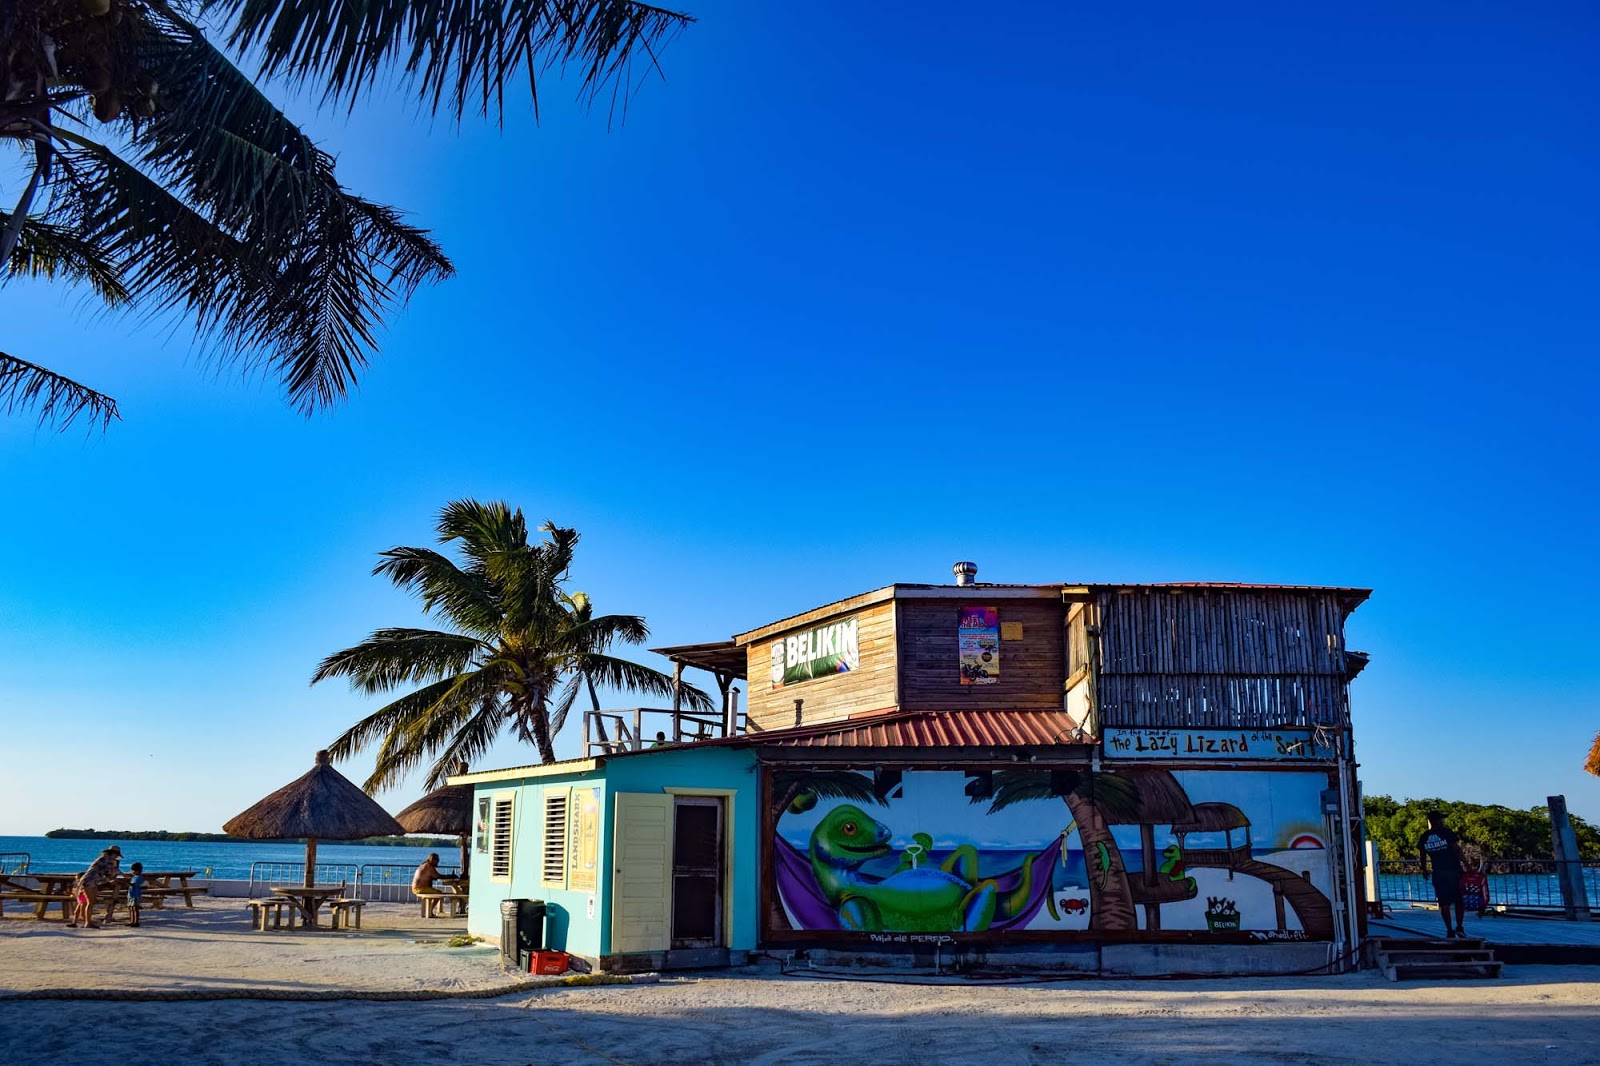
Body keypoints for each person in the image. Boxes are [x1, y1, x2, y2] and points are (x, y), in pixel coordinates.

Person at [1417, 810, 1469, 938]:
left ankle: (1449, 930)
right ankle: (1459, 927)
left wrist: (1424, 869)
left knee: (1444, 902)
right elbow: (1457, 849)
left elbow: (1422, 855)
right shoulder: (1447, 833)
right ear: (1435, 821)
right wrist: (1467, 865)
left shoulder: (1425, 836)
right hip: (1453, 871)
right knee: (1458, 900)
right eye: (1441, 819)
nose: (1442, 821)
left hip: (1438, 873)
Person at [69, 845, 122, 928]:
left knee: (91, 902)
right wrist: (118, 874)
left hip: (92, 881)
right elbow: (110, 872)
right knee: (90, 902)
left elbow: (108, 873)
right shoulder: (106, 860)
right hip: (89, 881)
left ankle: (88, 921)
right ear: (113, 854)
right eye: (116, 855)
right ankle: (88, 922)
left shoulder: (105, 859)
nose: (116, 857)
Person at [125, 862, 145, 928]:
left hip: (135, 895)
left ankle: (136, 922)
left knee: (135, 908)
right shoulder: (133, 877)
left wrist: (127, 882)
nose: (132, 872)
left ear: (138, 871)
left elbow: (134, 885)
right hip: (131, 894)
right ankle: (132, 921)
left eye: (133, 870)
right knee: (131, 908)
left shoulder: (139, 877)